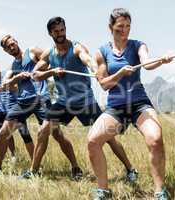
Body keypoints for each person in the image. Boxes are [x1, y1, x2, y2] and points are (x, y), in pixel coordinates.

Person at [31, 16, 136, 182]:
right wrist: (51, 72)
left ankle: (130, 169)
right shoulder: (49, 53)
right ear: (50, 33)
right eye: (56, 31)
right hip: (62, 102)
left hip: (84, 101)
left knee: (108, 136)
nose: (60, 34)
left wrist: (96, 70)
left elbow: (88, 60)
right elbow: (35, 75)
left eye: (62, 30)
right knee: (43, 131)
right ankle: (34, 171)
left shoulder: (76, 47)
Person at [87, 8, 172, 200]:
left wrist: (161, 61)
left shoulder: (137, 45)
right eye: (120, 28)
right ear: (111, 28)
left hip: (139, 103)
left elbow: (147, 62)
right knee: (93, 141)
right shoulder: (102, 52)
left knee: (155, 139)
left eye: (127, 27)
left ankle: (160, 192)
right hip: (116, 107)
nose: (124, 31)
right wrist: (119, 74)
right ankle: (103, 190)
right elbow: (104, 84)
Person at [0, 34, 83, 179]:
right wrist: (17, 77)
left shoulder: (32, 51)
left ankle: (75, 167)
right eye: (8, 47)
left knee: (57, 135)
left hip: (42, 99)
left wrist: (41, 73)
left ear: (16, 41)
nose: (12, 47)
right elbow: (5, 84)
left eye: (12, 44)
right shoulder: (12, 66)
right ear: (6, 51)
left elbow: (51, 61)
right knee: (3, 133)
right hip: (23, 102)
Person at [0, 58, 34, 162]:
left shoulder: (6, 75)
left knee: (25, 134)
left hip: (14, 108)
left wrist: (6, 87)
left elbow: (17, 87)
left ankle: (35, 163)